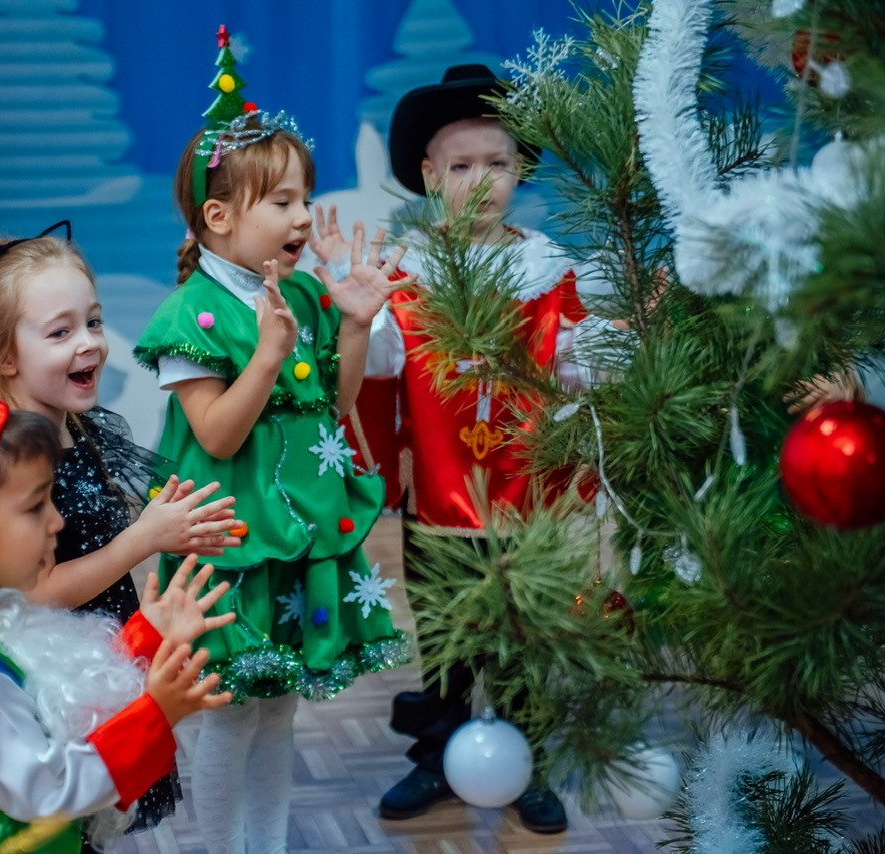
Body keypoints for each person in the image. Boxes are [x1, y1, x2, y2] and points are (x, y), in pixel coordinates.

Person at [131, 27, 410, 854]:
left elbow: (337, 402)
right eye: (281, 202)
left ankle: (271, 843)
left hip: (293, 538)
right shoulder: (192, 316)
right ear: (218, 217)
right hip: (226, 538)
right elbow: (216, 434)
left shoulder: (305, 298)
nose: (302, 217)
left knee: (278, 708)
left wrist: (354, 324)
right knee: (228, 713)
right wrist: (264, 357)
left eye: (303, 197)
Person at [320, 64, 597, 833]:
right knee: (446, 641)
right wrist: (357, 313)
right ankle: (439, 759)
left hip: (525, 506)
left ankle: (524, 760)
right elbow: (372, 374)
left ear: (521, 171)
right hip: (442, 506)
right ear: (429, 175)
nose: (482, 181)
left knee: (521, 641)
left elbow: (578, 373)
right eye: (462, 165)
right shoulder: (404, 278)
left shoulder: (549, 274)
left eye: (498, 164)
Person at [0, 222, 241, 829]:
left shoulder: (83, 428)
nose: (90, 343)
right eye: (60, 332)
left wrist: (174, 523)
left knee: (101, 813)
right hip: (51, 678)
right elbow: (35, 590)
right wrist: (145, 539)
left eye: (94, 321)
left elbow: (109, 523)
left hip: (105, 656)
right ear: (2, 357)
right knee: (72, 812)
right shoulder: (10, 467)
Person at [0, 384, 234, 853]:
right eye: (34, 506)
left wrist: (144, 637)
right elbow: (49, 788)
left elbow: (60, 702)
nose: (57, 522)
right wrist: (155, 717)